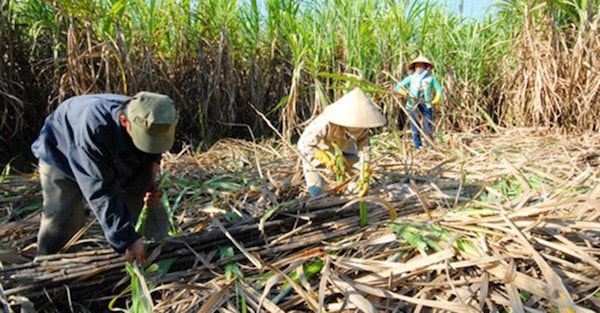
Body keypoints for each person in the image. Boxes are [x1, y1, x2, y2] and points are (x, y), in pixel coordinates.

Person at [31, 91, 179, 264]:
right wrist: (126, 239)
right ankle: (50, 268)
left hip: (116, 146)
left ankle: (160, 252)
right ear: (125, 122)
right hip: (62, 149)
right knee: (63, 215)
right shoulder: (94, 127)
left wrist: (151, 174)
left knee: (144, 201)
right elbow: (101, 190)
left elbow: (155, 143)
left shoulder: (159, 116)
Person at [297, 87, 387, 196]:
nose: (358, 128)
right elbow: (303, 144)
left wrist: (365, 167)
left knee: (356, 188)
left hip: (345, 154)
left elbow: (364, 148)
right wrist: (324, 158)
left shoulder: (363, 126)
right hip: (316, 155)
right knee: (316, 193)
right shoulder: (324, 123)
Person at [394, 55, 443, 149]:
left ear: (425, 67)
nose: (419, 68)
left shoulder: (430, 78)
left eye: (421, 65)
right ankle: (418, 147)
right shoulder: (411, 78)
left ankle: (429, 146)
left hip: (426, 104)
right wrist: (405, 93)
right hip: (413, 104)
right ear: (414, 67)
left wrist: (437, 98)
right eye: (417, 66)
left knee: (427, 126)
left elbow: (438, 89)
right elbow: (398, 87)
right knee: (414, 126)